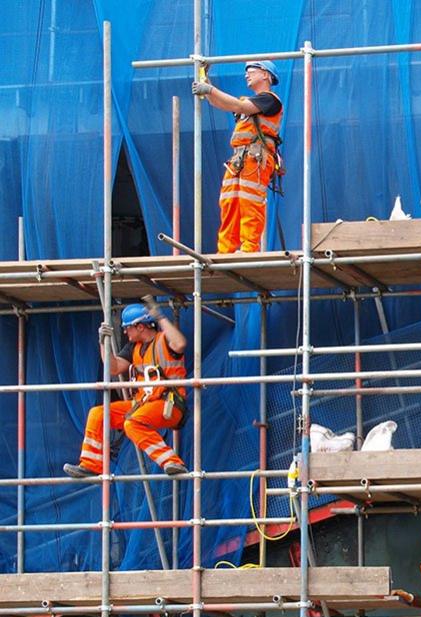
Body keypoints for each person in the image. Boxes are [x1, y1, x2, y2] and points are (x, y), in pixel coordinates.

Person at [63, 298, 188, 478]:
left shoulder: (165, 341)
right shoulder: (134, 348)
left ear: (140, 326)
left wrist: (159, 317)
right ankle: (91, 465)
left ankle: (172, 462)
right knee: (98, 414)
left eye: (127, 327)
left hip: (169, 404)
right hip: (143, 404)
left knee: (133, 423)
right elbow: (113, 367)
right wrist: (103, 342)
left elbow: (180, 344)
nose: (125, 331)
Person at [193, 60, 284, 254]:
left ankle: (249, 248)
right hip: (239, 159)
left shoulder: (269, 100)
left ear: (266, 75)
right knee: (229, 202)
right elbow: (221, 102)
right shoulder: (250, 103)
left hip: (256, 158)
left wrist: (209, 89)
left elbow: (238, 106)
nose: (246, 75)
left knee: (249, 202)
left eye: (251, 71)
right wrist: (204, 78)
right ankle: (226, 249)